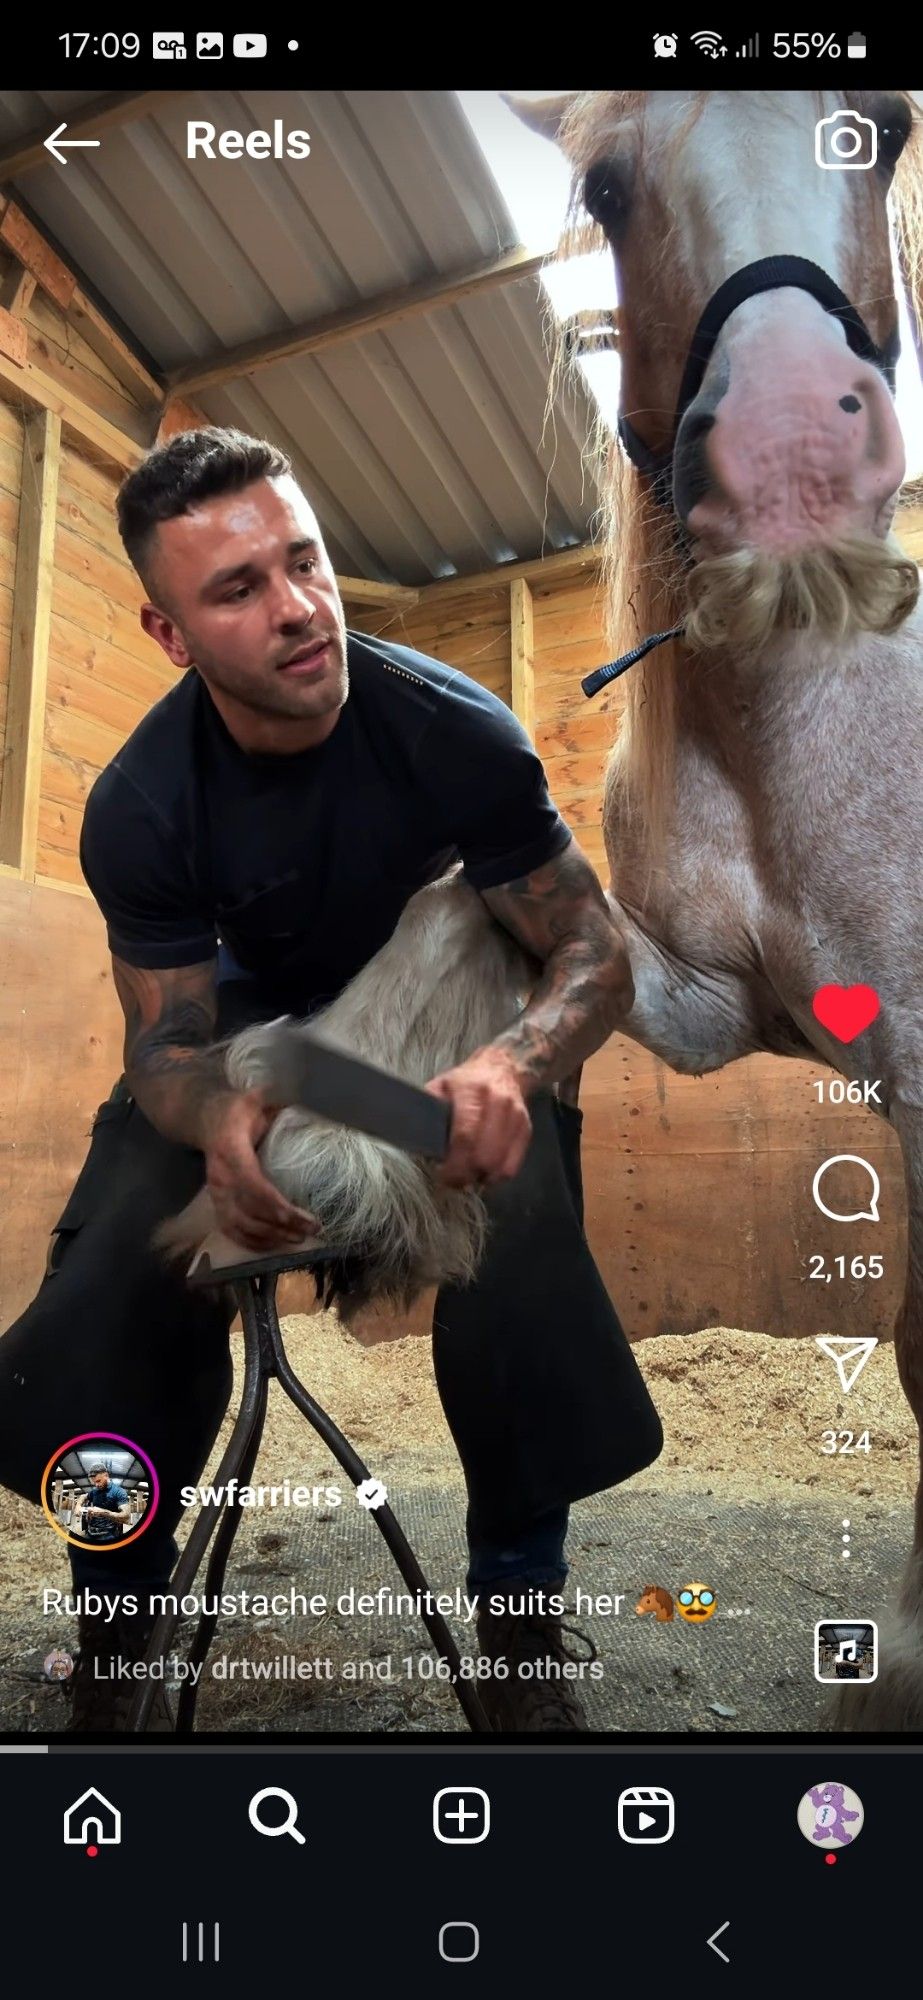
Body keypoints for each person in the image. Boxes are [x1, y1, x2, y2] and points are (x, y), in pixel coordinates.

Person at [0, 426, 663, 1733]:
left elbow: (589, 950)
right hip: (254, 1057)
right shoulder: (140, 803)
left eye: (301, 561)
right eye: (238, 589)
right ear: (169, 632)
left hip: (443, 1023)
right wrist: (214, 1122)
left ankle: (520, 1617)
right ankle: (116, 1629)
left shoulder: (452, 731)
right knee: (123, 1246)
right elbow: (167, 1044)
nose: (300, 610)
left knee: (516, 1210)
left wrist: (513, 1064)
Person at [73, 1465, 130, 1544]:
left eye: (98, 1481)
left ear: (106, 1475)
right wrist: (78, 1506)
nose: (96, 1485)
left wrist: (103, 1512)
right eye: (94, 1482)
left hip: (109, 1534)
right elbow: (83, 1496)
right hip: (90, 1532)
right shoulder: (95, 1491)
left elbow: (126, 1517)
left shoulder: (119, 1492)